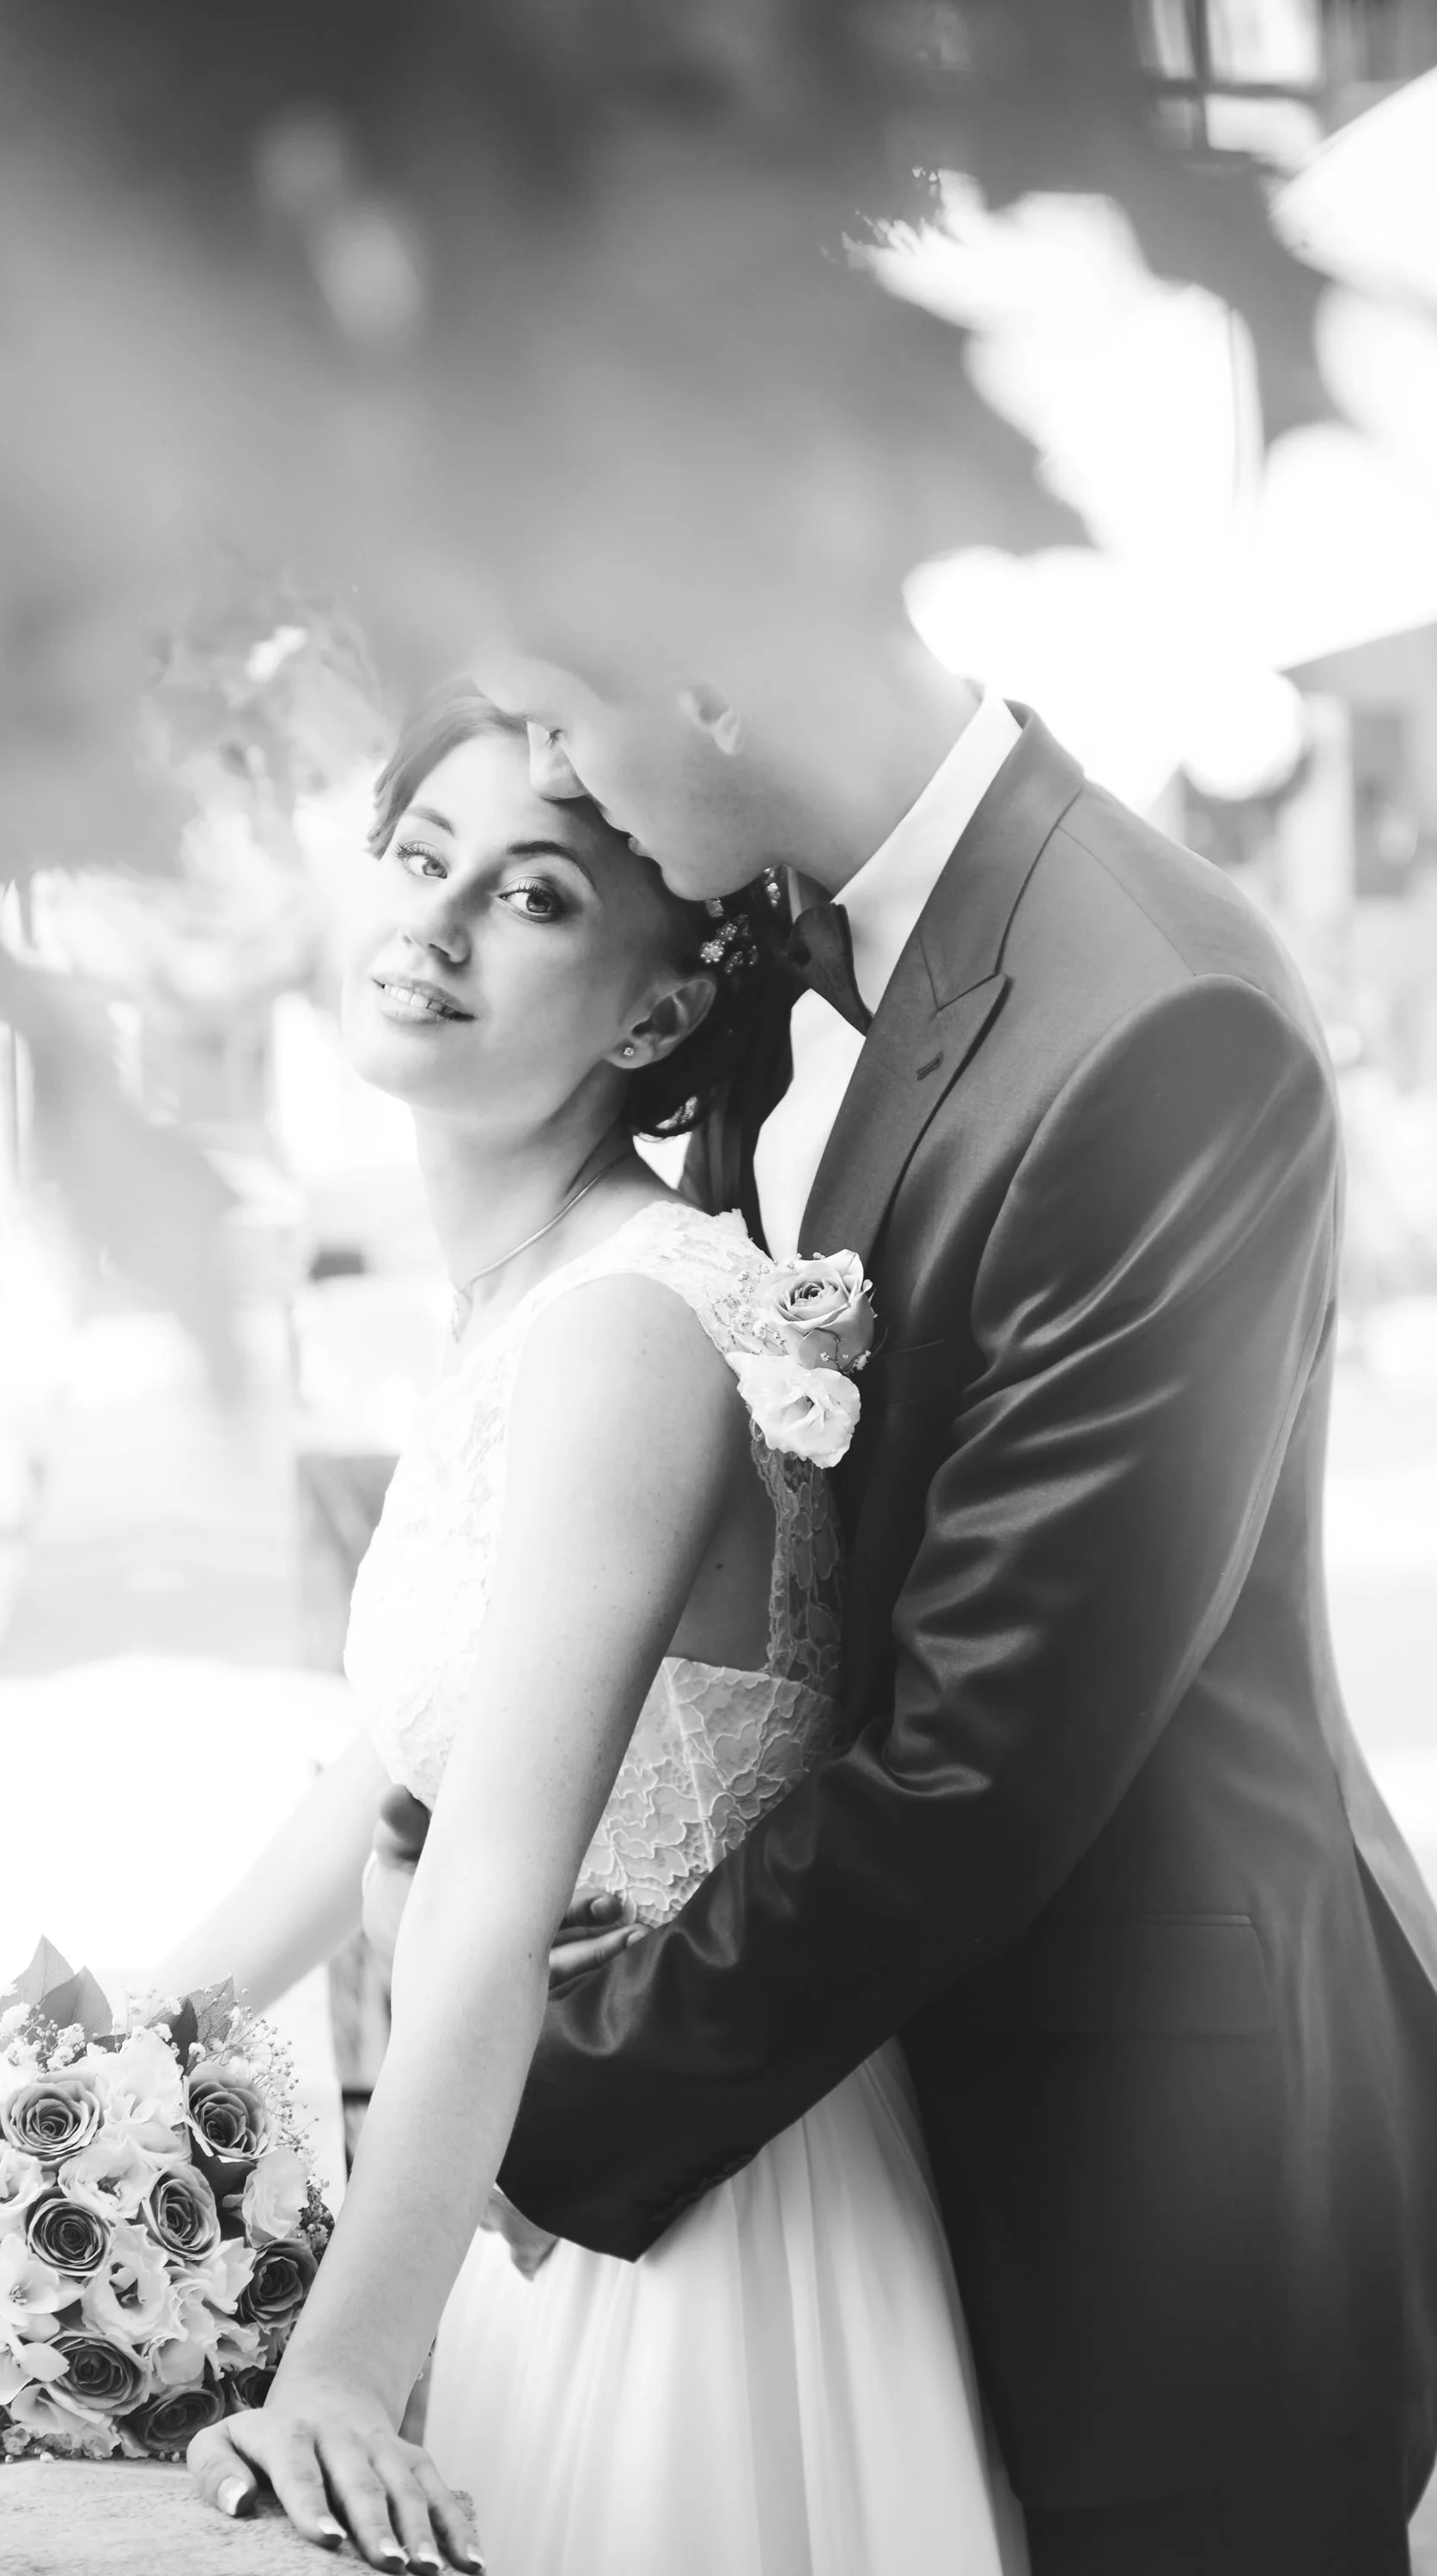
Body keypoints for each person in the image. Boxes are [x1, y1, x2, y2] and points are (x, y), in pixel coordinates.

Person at [354, 637, 1437, 2576]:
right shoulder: (842, 977)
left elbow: (976, 1762)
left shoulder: (1156, 1014)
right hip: (885, 2159)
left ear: (705, 677)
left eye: (557, 710)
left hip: (1162, 2220)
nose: (539, 752)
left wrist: (542, 2093)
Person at [170, 678, 1027, 2573]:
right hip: (541, 2183)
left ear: (653, 1014)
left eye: (536, 894)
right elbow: (376, 1782)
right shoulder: (515, 1305)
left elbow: (487, 1874)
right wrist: (52, 2094)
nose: (442, 919)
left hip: (702, 2240)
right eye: (421, 857)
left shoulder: (631, 1329)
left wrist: (336, 2380)